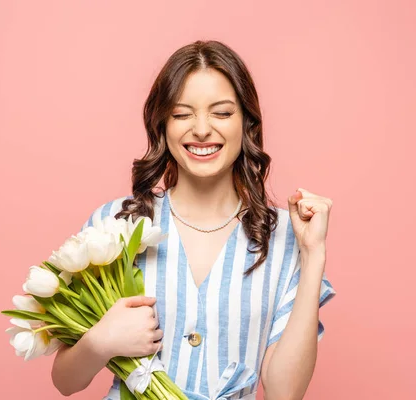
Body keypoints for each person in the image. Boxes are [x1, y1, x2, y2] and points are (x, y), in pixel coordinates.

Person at [51, 40, 337, 400]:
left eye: (221, 113)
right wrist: (102, 341)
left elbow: (285, 393)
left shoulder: (285, 238)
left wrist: (313, 255)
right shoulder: (116, 223)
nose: (201, 130)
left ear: (247, 123)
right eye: (182, 114)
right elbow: (65, 381)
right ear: (162, 124)